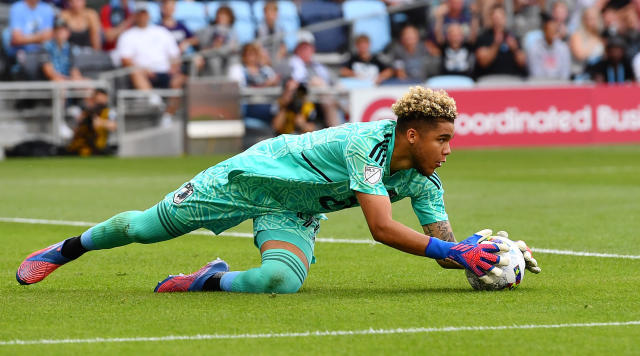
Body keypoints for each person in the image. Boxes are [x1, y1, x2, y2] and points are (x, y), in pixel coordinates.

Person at [16, 86, 541, 294]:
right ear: (411, 134)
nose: (449, 148)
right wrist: (456, 250)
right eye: (442, 139)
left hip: (295, 211)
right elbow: (381, 229)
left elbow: (445, 249)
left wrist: (495, 253)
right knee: (142, 229)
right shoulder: (366, 144)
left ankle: (204, 281)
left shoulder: (424, 179)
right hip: (247, 181)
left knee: (280, 282)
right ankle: (65, 250)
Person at [288, 30, 340, 127]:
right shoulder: (291, 63)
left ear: (312, 49)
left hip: (321, 97)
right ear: (297, 49)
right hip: (302, 96)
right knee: (325, 94)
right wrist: (313, 83)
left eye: (307, 47)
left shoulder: (318, 66)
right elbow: (293, 83)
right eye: (302, 48)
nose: (306, 51)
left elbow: (333, 80)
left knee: (338, 89)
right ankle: (337, 130)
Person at [475, 4, 527, 78]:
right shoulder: (483, 37)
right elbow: (483, 62)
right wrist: (496, 44)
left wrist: (515, 49)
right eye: (495, 17)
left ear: (505, 18)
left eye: (500, 17)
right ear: (491, 18)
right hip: (490, 79)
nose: (498, 20)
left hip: (512, 79)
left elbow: (523, 62)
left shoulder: (513, 36)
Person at [66, 88, 117, 156]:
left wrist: (101, 122)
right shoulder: (86, 112)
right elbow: (76, 129)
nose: (99, 103)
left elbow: (113, 126)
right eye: (97, 100)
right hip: (83, 148)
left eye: (102, 100)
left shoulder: (109, 112)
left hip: (99, 147)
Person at [525, 13, 571, 80]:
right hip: (541, 86)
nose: (552, 33)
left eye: (554, 30)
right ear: (544, 30)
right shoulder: (534, 48)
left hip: (560, 85)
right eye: (550, 30)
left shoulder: (563, 48)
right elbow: (535, 73)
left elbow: (565, 72)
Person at [569, 7, 605, 76]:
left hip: (597, 75)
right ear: (584, 20)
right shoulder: (577, 35)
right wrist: (594, 40)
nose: (593, 22)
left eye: (595, 18)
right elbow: (580, 55)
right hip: (580, 74)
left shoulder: (600, 36)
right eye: (590, 18)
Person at [255, 0, 287, 65]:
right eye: (269, 12)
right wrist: (267, 59)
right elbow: (258, 47)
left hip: (277, 56)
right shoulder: (259, 29)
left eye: (274, 12)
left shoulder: (280, 28)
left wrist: (278, 57)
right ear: (265, 14)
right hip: (265, 57)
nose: (271, 15)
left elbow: (283, 46)